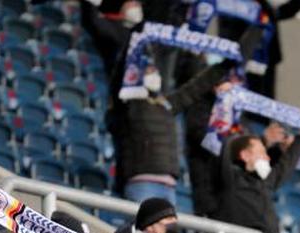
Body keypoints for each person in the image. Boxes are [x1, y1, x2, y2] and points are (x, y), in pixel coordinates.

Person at [108, 23, 262, 203]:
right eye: (148, 70)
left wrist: (254, 33)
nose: (154, 73)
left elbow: (203, 82)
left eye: (154, 70)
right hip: (142, 184)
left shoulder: (166, 104)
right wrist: (136, 35)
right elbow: (121, 71)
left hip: (169, 187)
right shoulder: (128, 103)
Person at [217, 0, 300, 98]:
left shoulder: (267, 11)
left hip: (265, 56)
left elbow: (281, 12)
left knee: (262, 96)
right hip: (235, 53)